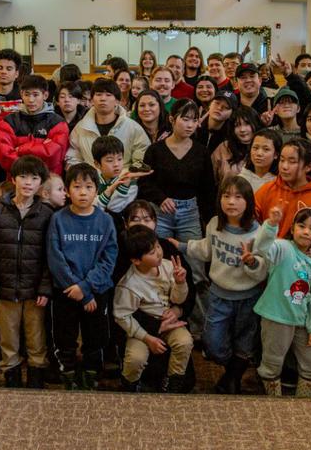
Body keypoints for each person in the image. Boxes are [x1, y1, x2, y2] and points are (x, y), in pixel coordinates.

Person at [177, 176, 263, 394]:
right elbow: (207, 250)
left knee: (245, 342)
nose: (231, 202)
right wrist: (182, 246)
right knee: (213, 343)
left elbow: (264, 268)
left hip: (249, 297)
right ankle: (232, 371)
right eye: (226, 196)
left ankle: (231, 380)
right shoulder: (215, 223)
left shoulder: (257, 232)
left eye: (237, 197)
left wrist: (252, 262)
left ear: (248, 202)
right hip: (219, 294)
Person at [0, 155, 55, 389]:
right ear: (13, 179)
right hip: (4, 287)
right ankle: (10, 373)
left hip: (35, 290)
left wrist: (45, 287)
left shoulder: (47, 214)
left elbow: (50, 256)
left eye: (34, 178)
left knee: (36, 336)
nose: (28, 182)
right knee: (8, 336)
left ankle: (36, 375)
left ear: (41, 183)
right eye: (22, 176)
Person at [47, 163, 119, 390]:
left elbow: (109, 257)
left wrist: (86, 288)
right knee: (64, 334)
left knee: (95, 335)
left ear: (96, 191)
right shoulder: (58, 219)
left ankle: (91, 373)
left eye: (88, 187)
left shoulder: (105, 221)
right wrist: (75, 287)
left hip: (96, 291)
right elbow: (55, 257)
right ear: (67, 190)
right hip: (65, 290)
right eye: (77, 187)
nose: (83, 192)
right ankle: (67, 372)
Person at [245, 205, 311, 397]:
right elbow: (262, 247)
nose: (306, 231)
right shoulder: (282, 248)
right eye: (302, 226)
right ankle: (275, 402)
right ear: (293, 228)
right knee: (272, 362)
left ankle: (303, 401)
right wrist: (271, 224)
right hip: (277, 317)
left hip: (301, 321)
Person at [253, 139, 311, 291]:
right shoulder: (267, 190)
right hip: (270, 274)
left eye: (292, 161)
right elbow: (252, 223)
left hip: (302, 276)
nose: (284, 166)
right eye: (282, 160)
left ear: (308, 166)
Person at [113, 225, 192, 394]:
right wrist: (148, 338)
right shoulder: (129, 284)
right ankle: (130, 385)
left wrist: (180, 283)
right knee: (136, 358)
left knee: (184, 342)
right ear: (136, 260)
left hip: (169, 322)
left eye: (157, 246)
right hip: (141, 330)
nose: (158, 252)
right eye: (151, 252)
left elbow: (178, 300)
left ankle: (173, 383)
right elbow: (122, 316)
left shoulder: (168, 266)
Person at [139, 99, 217, 241]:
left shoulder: (201, 152)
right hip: (160, 211)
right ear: (172, 119)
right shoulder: (155, 150)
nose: (190, 125)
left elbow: (208, 189)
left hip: (190, 213)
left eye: (194, 120)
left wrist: (209, 219)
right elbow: (144, 182)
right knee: (159, 256)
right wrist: (160, 198)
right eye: (185, 119)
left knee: (193, 259)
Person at [66, 78, 150, 169]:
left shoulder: (133, 128)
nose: (103, 98)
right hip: (91, 180)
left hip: (124, 180)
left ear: (117, 101)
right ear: (92, 100)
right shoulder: (81, 128)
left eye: (108, 95)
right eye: (98, 94)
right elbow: (73, 158)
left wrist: (125, 177)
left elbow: (141, 160)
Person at [0, 74, 69, 177]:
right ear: (21, 94)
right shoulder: (8, 122)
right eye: (27, 94)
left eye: (35, 95)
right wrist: (42, 147)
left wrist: (20, 149)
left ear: (45, 95)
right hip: (17, 183)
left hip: (48, 182)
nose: (31, 100)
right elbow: (5, 157)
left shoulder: (58, 123)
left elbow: (53, 157)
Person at [92, 136, 150, 217]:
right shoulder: (92, 183)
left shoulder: (131, 183)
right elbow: (92, 208)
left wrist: (124, 184)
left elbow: (114, 208)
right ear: (97, 164)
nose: (116, 164)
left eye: (119, 159)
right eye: (110, 160)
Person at [211, 106, 260, 183]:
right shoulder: (224, 147)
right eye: (237, 125)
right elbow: (210, 178)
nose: (242, 130)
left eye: (247, 124)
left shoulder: (263, 146)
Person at [239, 128, 281, 193]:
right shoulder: (241, 179)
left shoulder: (281, 180)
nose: (259, 153)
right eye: (255, 148)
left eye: (266, 149)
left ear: (276, 155)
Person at [0, 48, 23, 121]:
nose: (3, 72)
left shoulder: (24, 98)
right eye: (0, 68)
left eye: (9, 69)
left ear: (16, 73)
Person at [196, 91, 236, 155]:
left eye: (226, 107)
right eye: (217, 103)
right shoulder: (195, 125)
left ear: (231, 114)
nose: (219, 108)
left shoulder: (230, 136)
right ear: (210, 105)